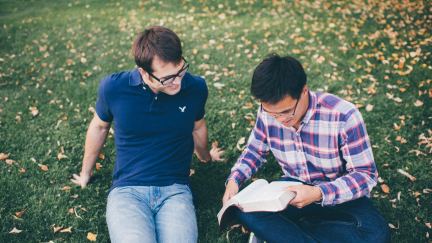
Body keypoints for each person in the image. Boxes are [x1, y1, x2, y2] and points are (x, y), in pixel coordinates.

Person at [71, 26, 224, 243]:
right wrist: (86, 172)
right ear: (144, 73)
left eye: (181, 70)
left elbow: (197, 126)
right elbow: (99, 127)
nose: (178, 82)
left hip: (175, 190)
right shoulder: (114, 88)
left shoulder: (196, 87)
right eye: (168, 79)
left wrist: (205, 156)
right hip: (127, 191)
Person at [222, 54, 390, 243]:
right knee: (245, 210)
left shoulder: (344, 116)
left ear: (304, 91)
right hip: (292, 190)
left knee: (375, 236)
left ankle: (290, 233)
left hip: (339, 194)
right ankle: (309, 232)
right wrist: (234, 180)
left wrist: (319, 193)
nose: (280, 120)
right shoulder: (267, 112)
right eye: (272, 113)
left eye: (286, 112)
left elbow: (365, 174)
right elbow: (255, 151)